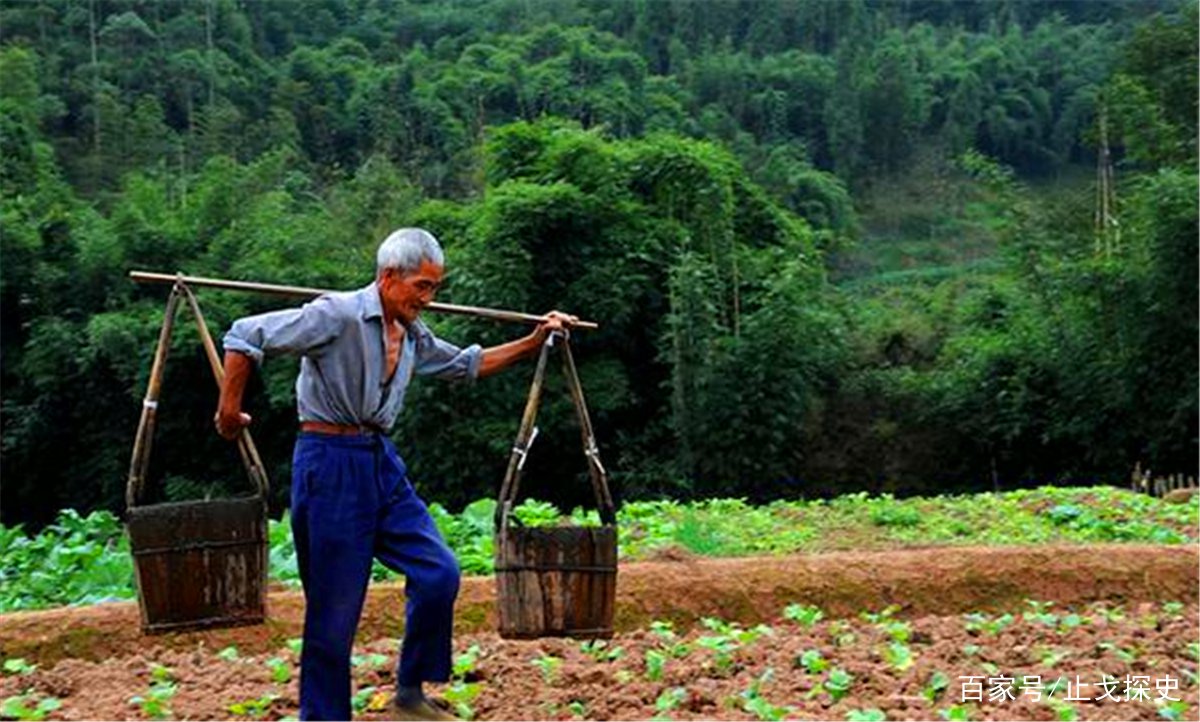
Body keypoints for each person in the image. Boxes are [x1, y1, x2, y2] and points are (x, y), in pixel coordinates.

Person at [214, 228, 576, 721]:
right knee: (334, 614)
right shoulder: (335, 314)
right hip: (329, 463)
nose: (428, 299)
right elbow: (244, 335)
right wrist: (229, 414)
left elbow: (465, 364)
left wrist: (535, 342)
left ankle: (409, 693)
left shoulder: (411, 333)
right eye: (421, 287)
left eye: (434, 288)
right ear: (388, 278)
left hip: (380, 462)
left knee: (439, 572)